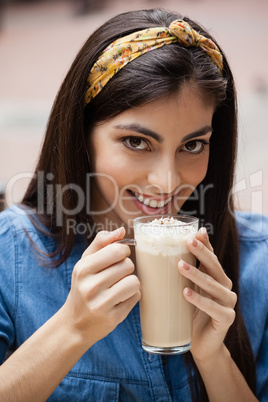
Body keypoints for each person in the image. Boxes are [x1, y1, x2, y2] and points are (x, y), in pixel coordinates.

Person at [0, 8, 267, 401]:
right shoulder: (13, 256)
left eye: (193, 145)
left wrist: (214, 357)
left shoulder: (257, 259)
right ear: (82, 134)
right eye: (137, 142)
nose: (168, 182)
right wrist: (72, 329)